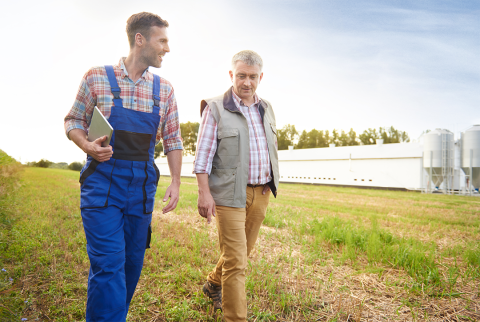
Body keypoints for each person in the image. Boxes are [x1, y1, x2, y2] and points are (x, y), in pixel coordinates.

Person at [63, 12, 183, 321]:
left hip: (141, 185)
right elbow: (73, 120)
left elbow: (173, 139)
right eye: (163, 41)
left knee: (131, 264)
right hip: (102, 182)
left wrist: (177, 182)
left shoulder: (164, 90)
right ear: (140, 40)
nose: (167, 48)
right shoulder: (96, 77)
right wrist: (86, 145)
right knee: (108, 264)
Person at [194, 50, 279, 322]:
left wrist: (270, 179)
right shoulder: (216, 107)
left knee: (242, 252)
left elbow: (270, 148)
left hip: (261, 192)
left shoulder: (267, 108)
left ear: (260, 77)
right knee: (237, 262)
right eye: (241, 75)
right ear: (231, 74)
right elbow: (203, 155)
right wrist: (204, 193)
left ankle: (213, 283)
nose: (247, 82)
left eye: (253, 77)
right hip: (229, 194)